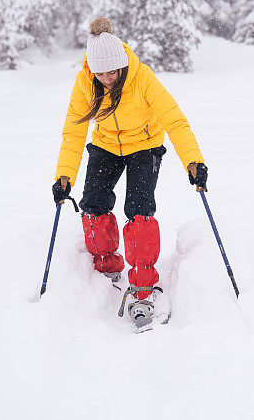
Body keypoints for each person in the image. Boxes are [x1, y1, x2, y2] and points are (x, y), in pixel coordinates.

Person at [52, 17, 208, 326]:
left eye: (112, 72)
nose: (107, 79)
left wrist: (193, 160)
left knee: (139, 210)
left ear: (122, 65)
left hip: (145, 146)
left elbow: (175, 120)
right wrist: (64, 176)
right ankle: (106, 266)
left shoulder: (142, 78)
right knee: (93, 204)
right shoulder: (85, 83)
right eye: (100, 74)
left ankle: (143, 285)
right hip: (106, 145)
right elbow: (73, 131)